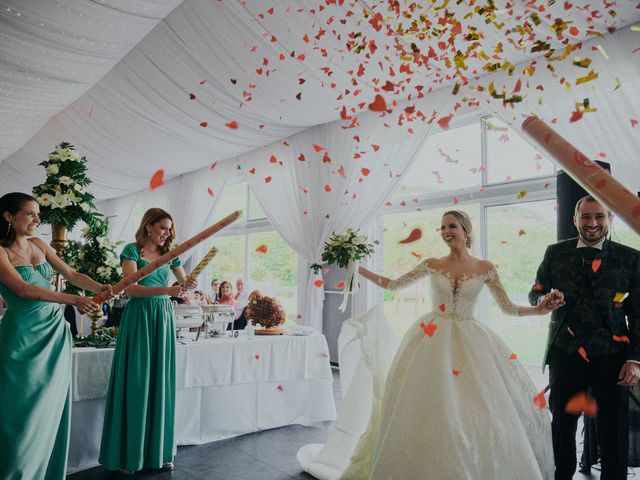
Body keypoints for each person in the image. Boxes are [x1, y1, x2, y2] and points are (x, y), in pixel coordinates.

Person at [299, 210, 558, 480]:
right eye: (442, 227)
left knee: (474, 408)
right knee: (430, 404)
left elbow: (507, 307)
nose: (446, 231)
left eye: (452, 226)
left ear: (465, 230)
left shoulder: (485, 268)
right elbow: (392, 285)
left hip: (472, 342)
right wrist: (357, 267)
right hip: (431, 340)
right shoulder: (433, 264)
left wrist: (539, 311)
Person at [0, 192, 111, 479]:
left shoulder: (39, 243)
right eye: (29, 214)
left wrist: (101, 286)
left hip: (55, 336)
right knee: (22, 416)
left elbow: (73, 274)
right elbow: (23, 290)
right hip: (22, 339)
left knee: (49, 411)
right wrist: (72, 300)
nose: (37, 219)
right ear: (8, 216)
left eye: (38, 214)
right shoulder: (1, 252)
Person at [529, 195, 640, 480]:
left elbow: (639, 313)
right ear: (574, 219)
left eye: (599, 216)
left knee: (613, 429)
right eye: (586, 216)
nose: (592, 223)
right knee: (563, 425)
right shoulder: (555, 252)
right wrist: (545, 299)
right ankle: (562, 475)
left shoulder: (630, 257)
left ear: (609, 219)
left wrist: (635, 359)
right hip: (566, 353)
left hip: (613, 357)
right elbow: (535, 292)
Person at [99, 208, 196, 475]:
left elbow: (183, 286)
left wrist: (188, 285)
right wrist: (170, 290)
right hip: (140, 314)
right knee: (138, 379)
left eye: (169, 229)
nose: (168, 233)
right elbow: (129, 288)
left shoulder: (171, 254)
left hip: (162, 316)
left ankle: (159, 453)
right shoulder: (132, 250)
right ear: (149, 227)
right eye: (163, 227)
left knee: (160, 381)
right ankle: (130, 453)